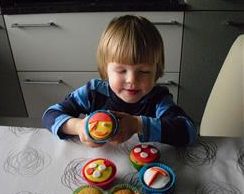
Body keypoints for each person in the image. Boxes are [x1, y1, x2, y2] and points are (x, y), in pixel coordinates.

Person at [42, 15, 197, 148]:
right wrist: (78, 126)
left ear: (157, 71)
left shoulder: (158, 99)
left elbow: (189, 131)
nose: (132, 80)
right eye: (121, 71)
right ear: (105, 69)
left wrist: (138, 124)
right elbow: (50, 115)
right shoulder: (93, 92)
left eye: (144, 71)